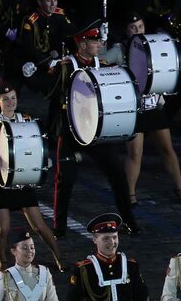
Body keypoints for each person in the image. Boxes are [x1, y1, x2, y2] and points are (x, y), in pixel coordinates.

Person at [37, 21, 140, 236]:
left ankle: (129, 220)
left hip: (95, 131)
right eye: (95, 40)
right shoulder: (66, 66)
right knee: (66, 180)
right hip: (69, 129)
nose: (100, 43)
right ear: (82, 43)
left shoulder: (100, 63)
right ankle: (60, 227)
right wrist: (53, 73)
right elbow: (47, 90)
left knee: (118, 175)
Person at [0, 81, 63, 270]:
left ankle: (59, 258)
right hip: (1, 180)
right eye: (6, 99)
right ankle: (2, 261)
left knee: (39, 226)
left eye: (13, 98)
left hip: (23, 178)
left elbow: (34, 145)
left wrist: (42, 161)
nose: (10, 102)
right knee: (4, 228)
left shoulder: (26, 119)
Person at [122, 14, 181, 207]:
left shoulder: (153, 45)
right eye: (133, 28)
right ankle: (130, 194)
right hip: (134, 110)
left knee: (167, 148)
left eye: (140, 26)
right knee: (135, 152)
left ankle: (179, 187)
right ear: (126, 31)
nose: (137, 31)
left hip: (154, 106)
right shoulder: (120, 50)